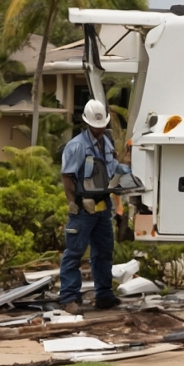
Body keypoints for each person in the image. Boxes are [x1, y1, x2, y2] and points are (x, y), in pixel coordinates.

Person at [59, 99, 128, 314]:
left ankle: (104, 296)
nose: (99, 129)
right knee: (74, 252)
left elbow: (112, 168)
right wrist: (74, 203)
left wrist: (125, 177)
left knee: (104, 252)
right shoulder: (77, 146)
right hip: (83, 207)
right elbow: (67, 177)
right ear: (87, 123)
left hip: (102, 205)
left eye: (102, 126)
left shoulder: (107, 142)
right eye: (96, 126)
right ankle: (69, 298)